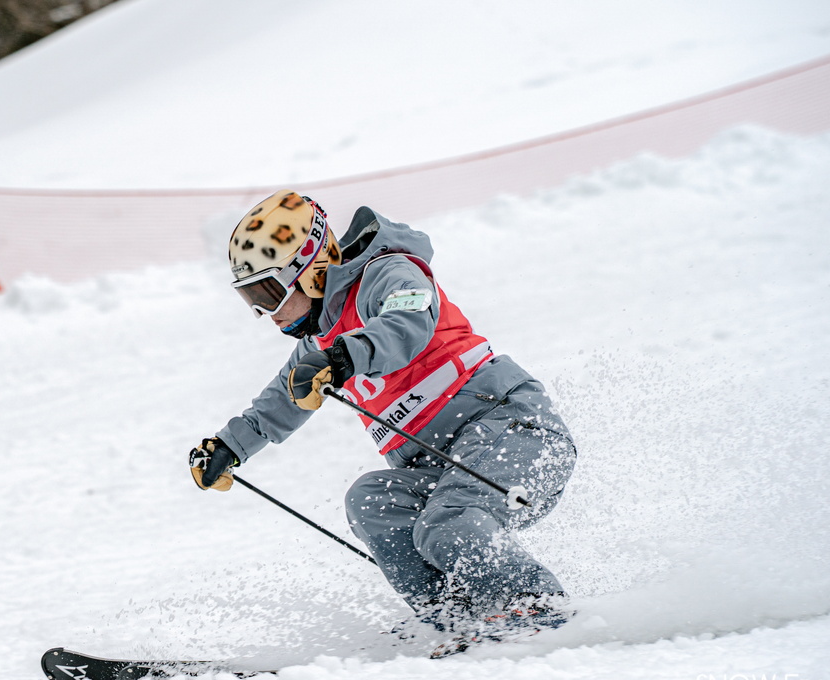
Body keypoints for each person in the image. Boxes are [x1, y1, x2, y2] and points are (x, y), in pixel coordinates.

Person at [189, 190, 576, 655]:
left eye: (268, 294)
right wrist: (230, 447)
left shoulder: (388, 274)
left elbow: (407, 323)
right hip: (441, 465)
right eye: (250, 299)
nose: (264, 314)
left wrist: (344, 356)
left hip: (513, 431)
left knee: (447, 522)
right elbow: (282, 396)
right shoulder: (320, 337)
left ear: (309, 268)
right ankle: (453, 615)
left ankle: (535, 606)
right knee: (373, 501)